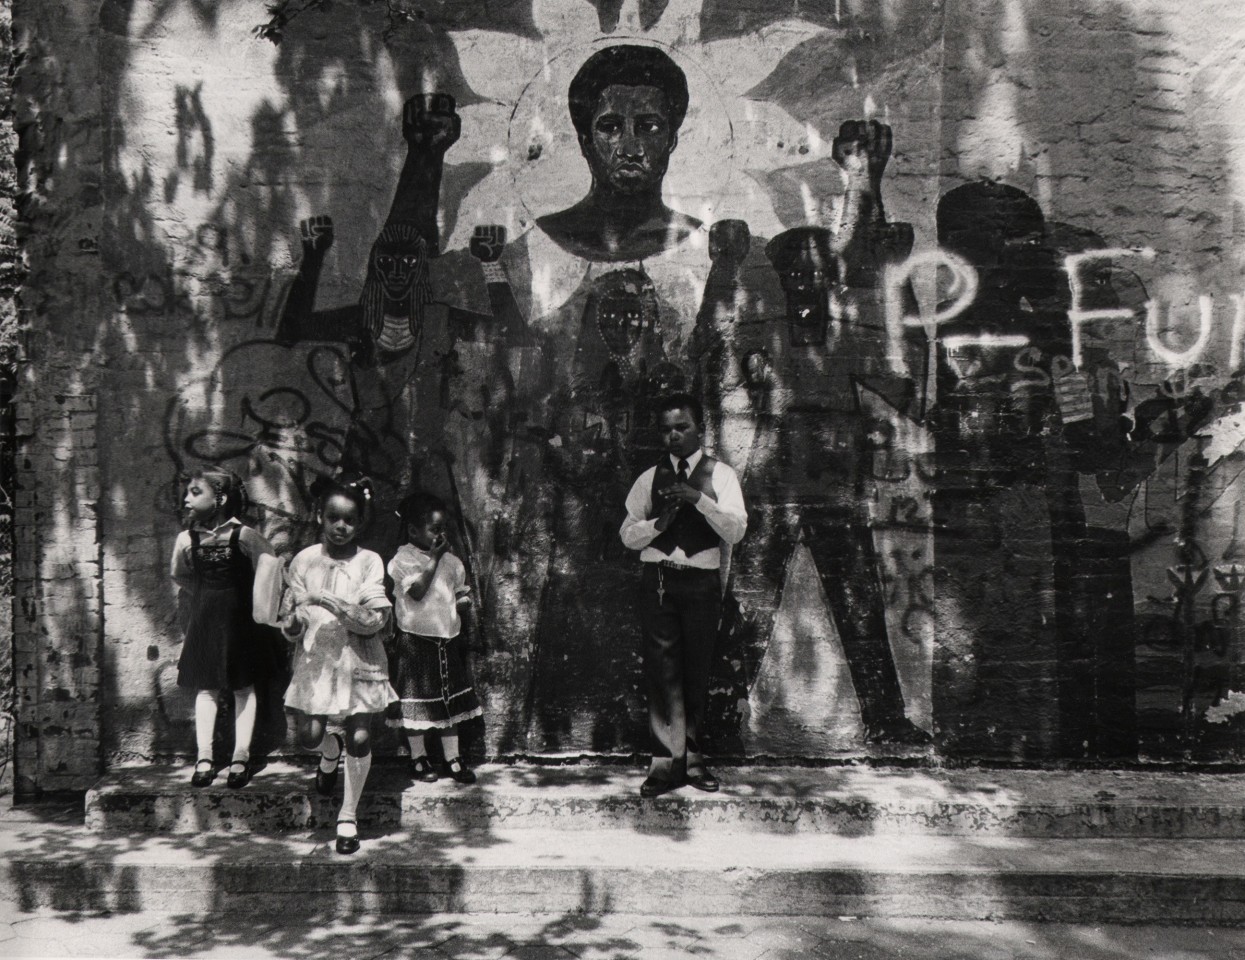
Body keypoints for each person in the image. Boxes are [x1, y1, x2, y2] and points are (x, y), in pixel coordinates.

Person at [620, 393, 747, 797]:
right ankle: (663, 766)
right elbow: (627, 535)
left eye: (682, 427)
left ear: (700, 429)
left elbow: (736, 531)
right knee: (662, 673)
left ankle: (692, 761)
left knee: (695, 671)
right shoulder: (648, 478)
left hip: (701, 584)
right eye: (666, 430)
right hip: (658, 582)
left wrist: (700, 501)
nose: (673, 436)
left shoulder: (721, 475)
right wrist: (659, 524)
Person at [281, 476, 396, 854]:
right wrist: (294, 624)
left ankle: (348, 816)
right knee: (308, 736)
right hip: (318, 661)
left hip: (359, 658)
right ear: (320, 517)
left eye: (349, 520)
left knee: (360, 736)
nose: (341, 527)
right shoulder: (304, 561)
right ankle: (330, 750)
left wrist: (327, 600)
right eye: (333, 518)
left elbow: (374, 619)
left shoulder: (369, 562)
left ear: (360, 523)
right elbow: (293, 623)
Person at [537, 44, 701, 263]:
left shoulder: (695, 236)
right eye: (610, 127)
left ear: (671, 140)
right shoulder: (551, 233)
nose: (630, 150)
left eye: (649, 127)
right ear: (586, 143)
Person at [172, 467, 276, 789]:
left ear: (221, 498)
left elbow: (269, 567)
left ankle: (240, 758)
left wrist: (258, 604)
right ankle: (204, 757)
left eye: (195, 492)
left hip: (241, 623)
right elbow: (180, 576)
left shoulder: (244, 536)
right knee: (206, 688)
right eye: (187, 492)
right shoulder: (186, 539)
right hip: (205, 620)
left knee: (244, 687)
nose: (187, 499)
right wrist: (208, 597)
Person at [385, 491, 482, 784]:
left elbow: (460, 595)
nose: (441, 534)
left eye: (443, 528)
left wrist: (462, 604)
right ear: (414, 531)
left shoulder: (452, 562)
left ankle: (452, 758)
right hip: (415, 643)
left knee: (448, 704)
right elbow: (416, 591)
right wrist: (435, 558)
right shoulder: (403, 560)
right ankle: (418, 758)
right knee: (416, 705)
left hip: (446, 641)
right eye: (434, 529)